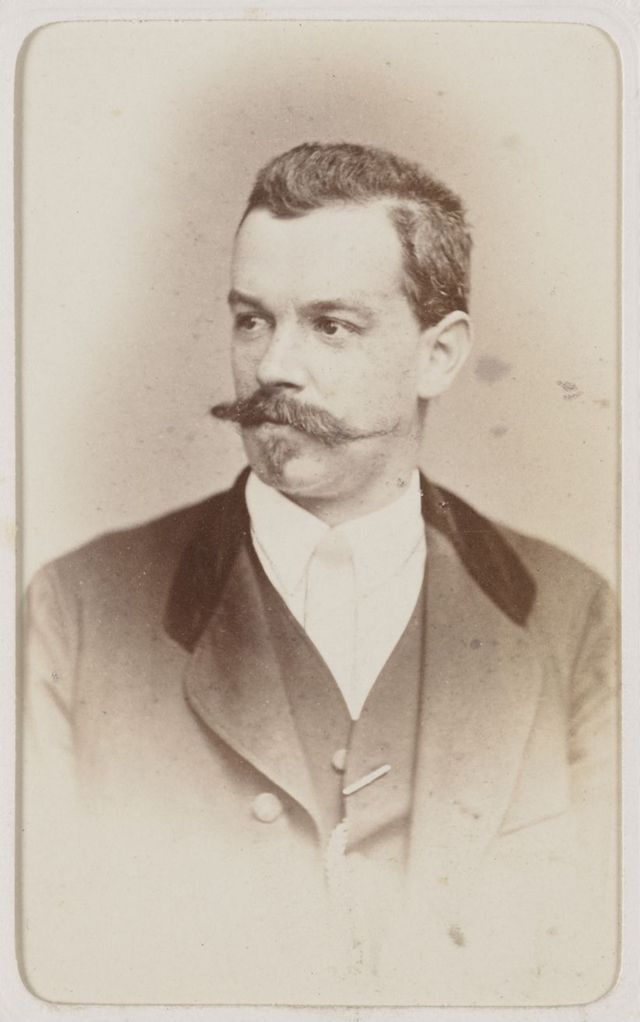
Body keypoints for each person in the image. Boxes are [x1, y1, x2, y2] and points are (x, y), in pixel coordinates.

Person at [20, 142, 618, 1007]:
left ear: (441, 354)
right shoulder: (76, 614)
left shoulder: (570, 615)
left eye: (331, 325)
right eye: (252, 320)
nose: (272, 367)